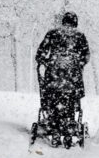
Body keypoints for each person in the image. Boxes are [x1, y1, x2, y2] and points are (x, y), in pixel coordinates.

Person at [35, 12, 90, 146]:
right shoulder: (79, 36)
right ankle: (69, 125)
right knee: (70, 100)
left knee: (52, 99)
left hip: (53, 78)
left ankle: (53, 123)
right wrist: (78, 64)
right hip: (72, 79)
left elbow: (40, 53)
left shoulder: (52, 34)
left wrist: (46, 61)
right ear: (75, 23)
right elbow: (86, 56)